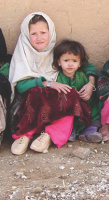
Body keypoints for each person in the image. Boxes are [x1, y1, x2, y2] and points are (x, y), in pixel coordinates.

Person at [9, 12, 97, 155]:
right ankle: (24, 136)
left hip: (53, 105)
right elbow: (21, 86)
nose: (39, 38)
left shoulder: (56, 52)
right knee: (35, 93)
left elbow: (86, 64)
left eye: (43, 32)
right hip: (28, 104)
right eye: (34, 33)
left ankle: (49, 135)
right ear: (26, 34)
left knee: (70, 95)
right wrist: (48, 84)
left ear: (50, 32)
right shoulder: (23, 54)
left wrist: (91, 83)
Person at [52, 39, 101, 143]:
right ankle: (71, 130)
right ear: (59, 62)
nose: (70, 64)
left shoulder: (82, 76)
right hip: (69, 111)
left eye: (74, 61)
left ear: (80, 63)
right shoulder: (57, 78)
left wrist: (87, 94)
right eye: (66, 61)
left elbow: (90, 95)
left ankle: (89, 131)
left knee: (95, 114)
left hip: (86, 108)